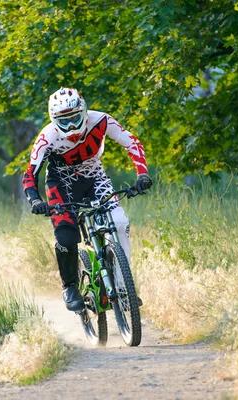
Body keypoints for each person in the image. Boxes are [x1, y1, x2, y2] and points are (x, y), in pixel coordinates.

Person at [23, 87, 152, 311]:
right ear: (54, 120)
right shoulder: (47, 137)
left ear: (83, 111)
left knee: (120, 223)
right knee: (66, 235)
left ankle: (123, 288)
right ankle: (70, 286)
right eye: (64, 121)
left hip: (94, 176)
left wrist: (142, 174)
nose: (72, 126)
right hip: (61, 182)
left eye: (75, 118)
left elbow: (132, 143)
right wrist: (35, 200)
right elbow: (30, 174)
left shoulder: (101, 120)